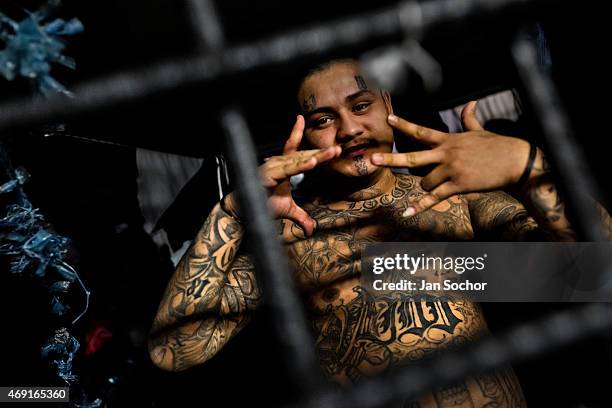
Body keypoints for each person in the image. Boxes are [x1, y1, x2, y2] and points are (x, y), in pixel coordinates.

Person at [148, 59, 611, 406]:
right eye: (324, 120)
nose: (349, 129)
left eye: (361, 105)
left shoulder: (451, 198)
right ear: (302, 133)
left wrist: (527, 168)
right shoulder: (295, 235)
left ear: (388, 104)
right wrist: (232, 211)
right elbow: (172, 350)